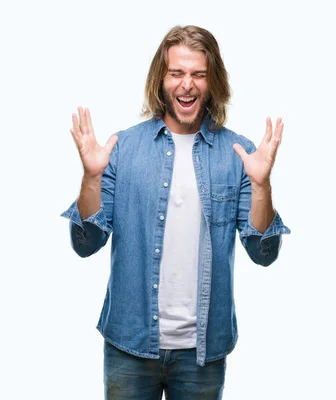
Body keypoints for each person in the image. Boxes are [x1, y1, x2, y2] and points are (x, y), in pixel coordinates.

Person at [60, 25, 290, 399]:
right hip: (129, 343)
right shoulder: (123, 149)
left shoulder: (239, 155)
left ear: (212, 81)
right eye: (177, 73)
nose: (187, 84)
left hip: (203, 351)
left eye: (198, 74)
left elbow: (263, 253)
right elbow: (85, 244)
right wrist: (91, 176)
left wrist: (261, 185)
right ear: (160, 79)